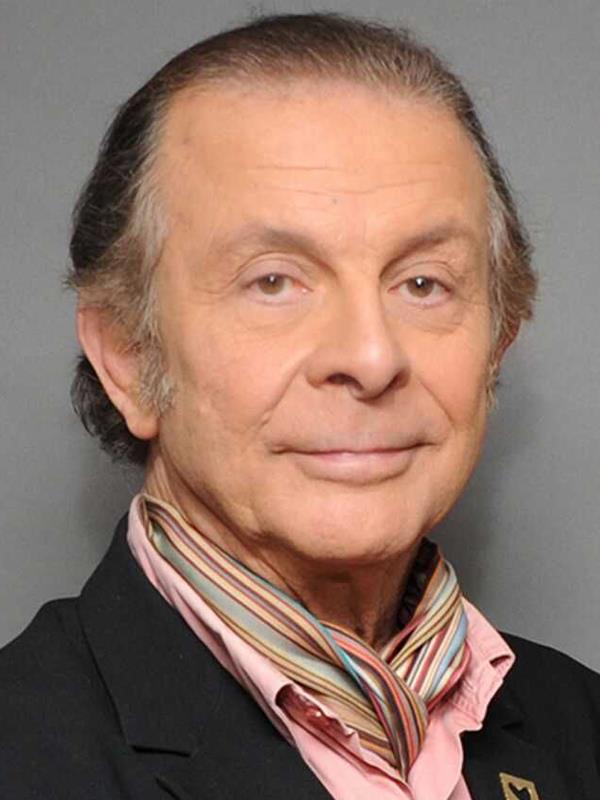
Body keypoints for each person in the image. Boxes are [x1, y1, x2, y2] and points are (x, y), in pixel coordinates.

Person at [0, 12, 598, 800]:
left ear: (499, 340)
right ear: (129, 356)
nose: (371, 357)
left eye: (423, 283)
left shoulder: (581, 729)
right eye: (274, 282)